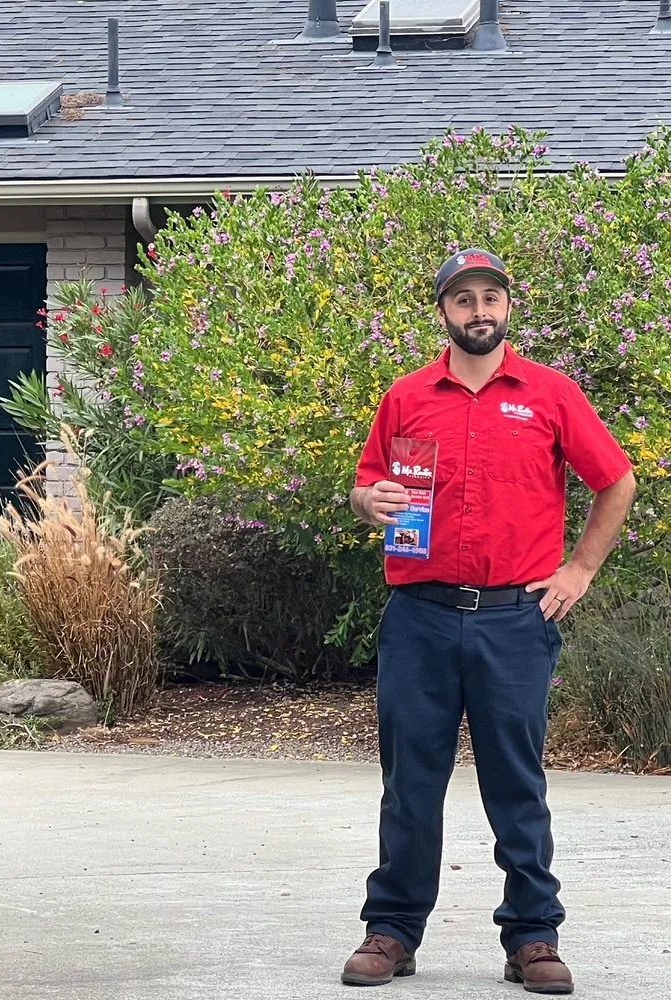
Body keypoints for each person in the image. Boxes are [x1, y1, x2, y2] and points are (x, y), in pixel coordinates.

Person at [341, 249, 636, 994]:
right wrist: (367, 500)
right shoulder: (407, 397)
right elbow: (369, 482)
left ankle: (533, 936)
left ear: (508, 307)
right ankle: (392, 931)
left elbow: (617, 480)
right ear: (443, 311)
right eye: (463, 298)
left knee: (517, 782)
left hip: (514, 620)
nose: (479, 311)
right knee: (411, 783)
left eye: (490, 298)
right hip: (420, 618)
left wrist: (579, 570)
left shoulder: (550, 395)